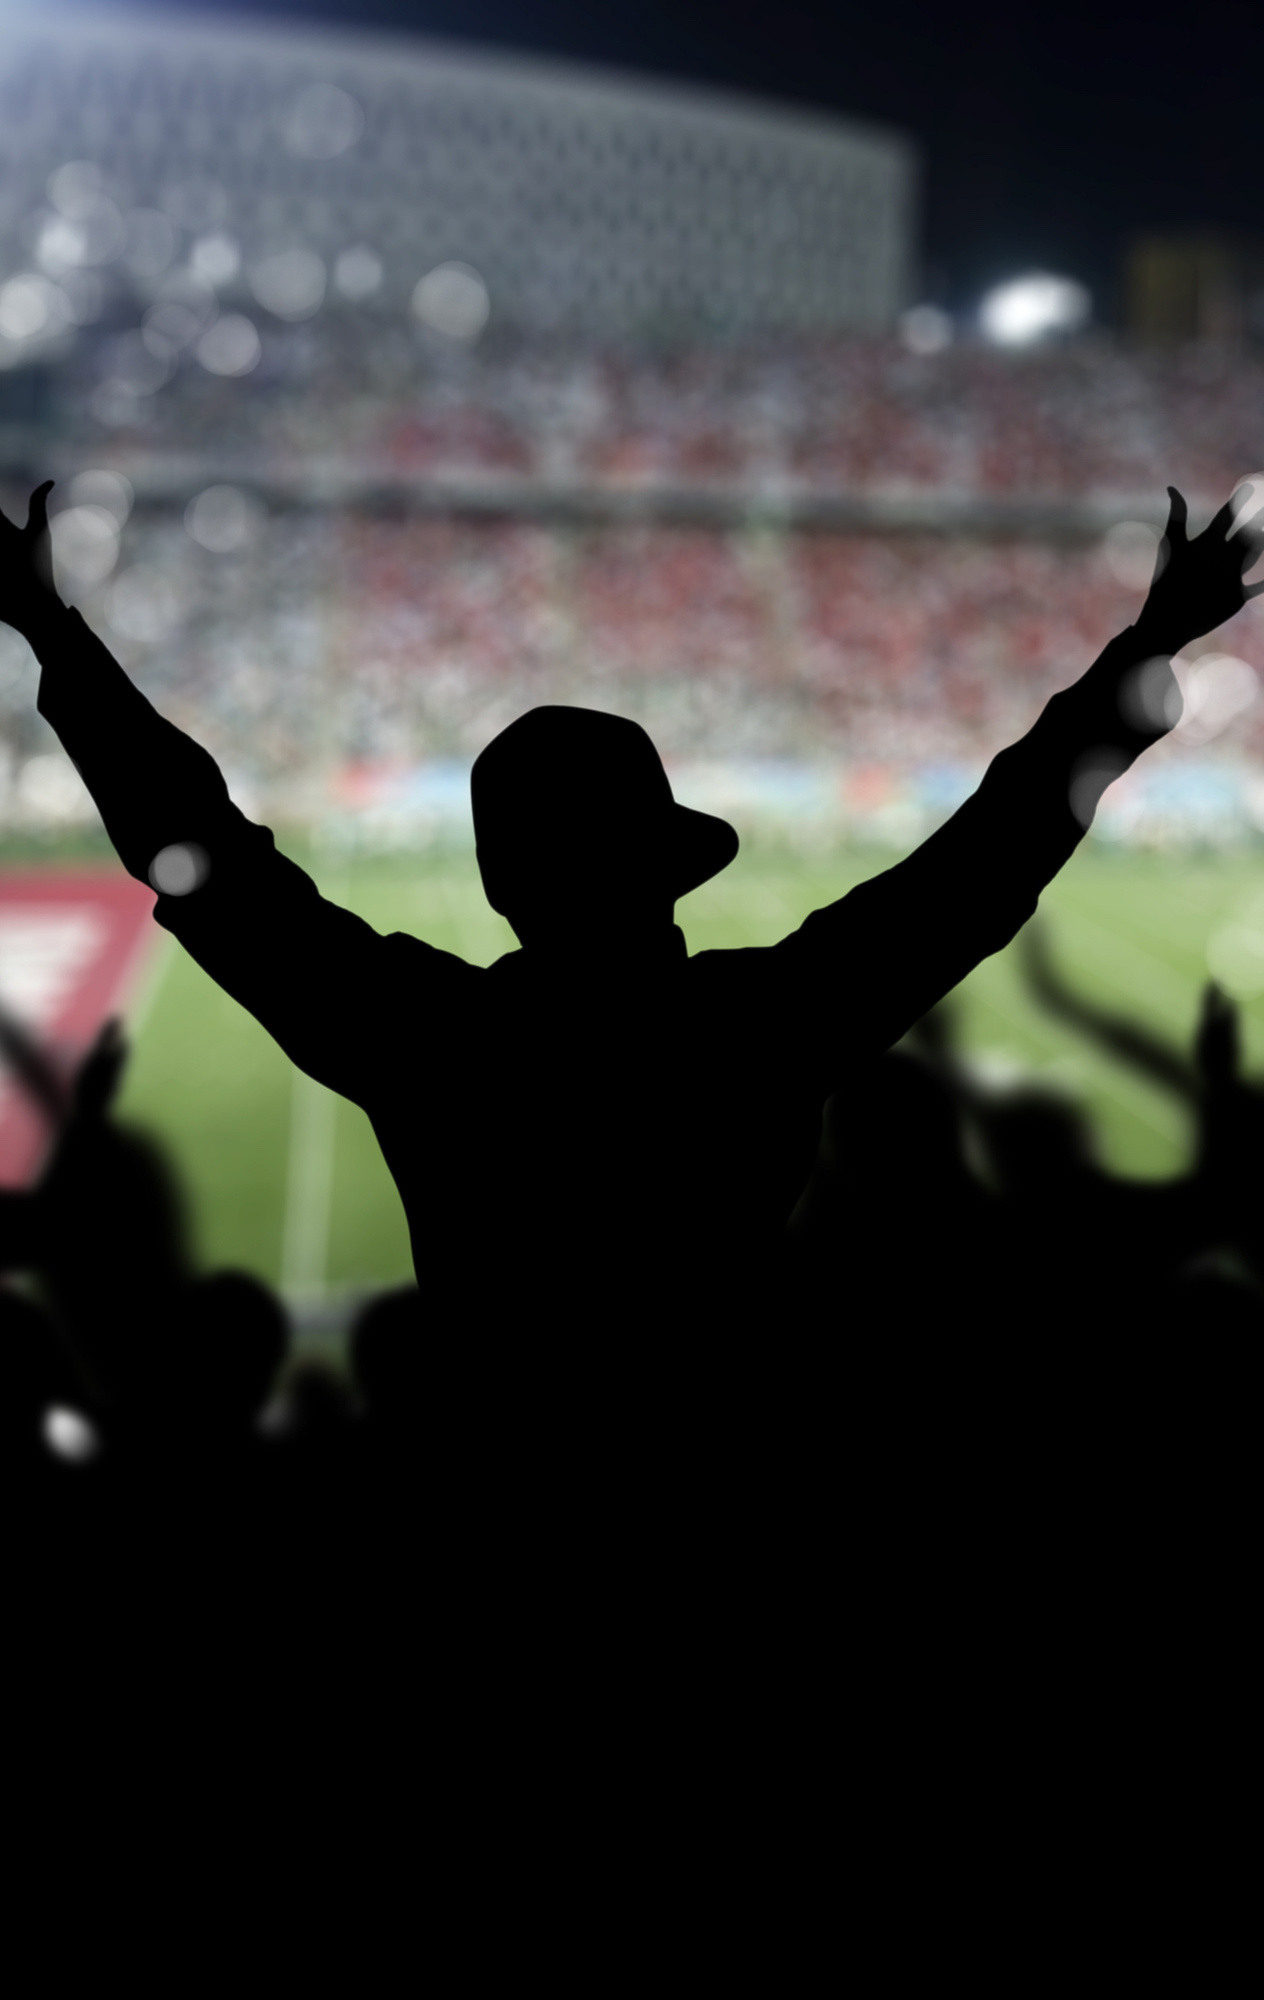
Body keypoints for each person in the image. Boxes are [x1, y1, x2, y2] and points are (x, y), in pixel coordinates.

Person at [1, 481, 1261, 1380]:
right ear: (667, 871)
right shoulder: (764, 1023)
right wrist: (1147, 647)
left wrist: (53, 633)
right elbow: (988, 857)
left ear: (502, 884)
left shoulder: (432, 1038)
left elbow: (214, 863)